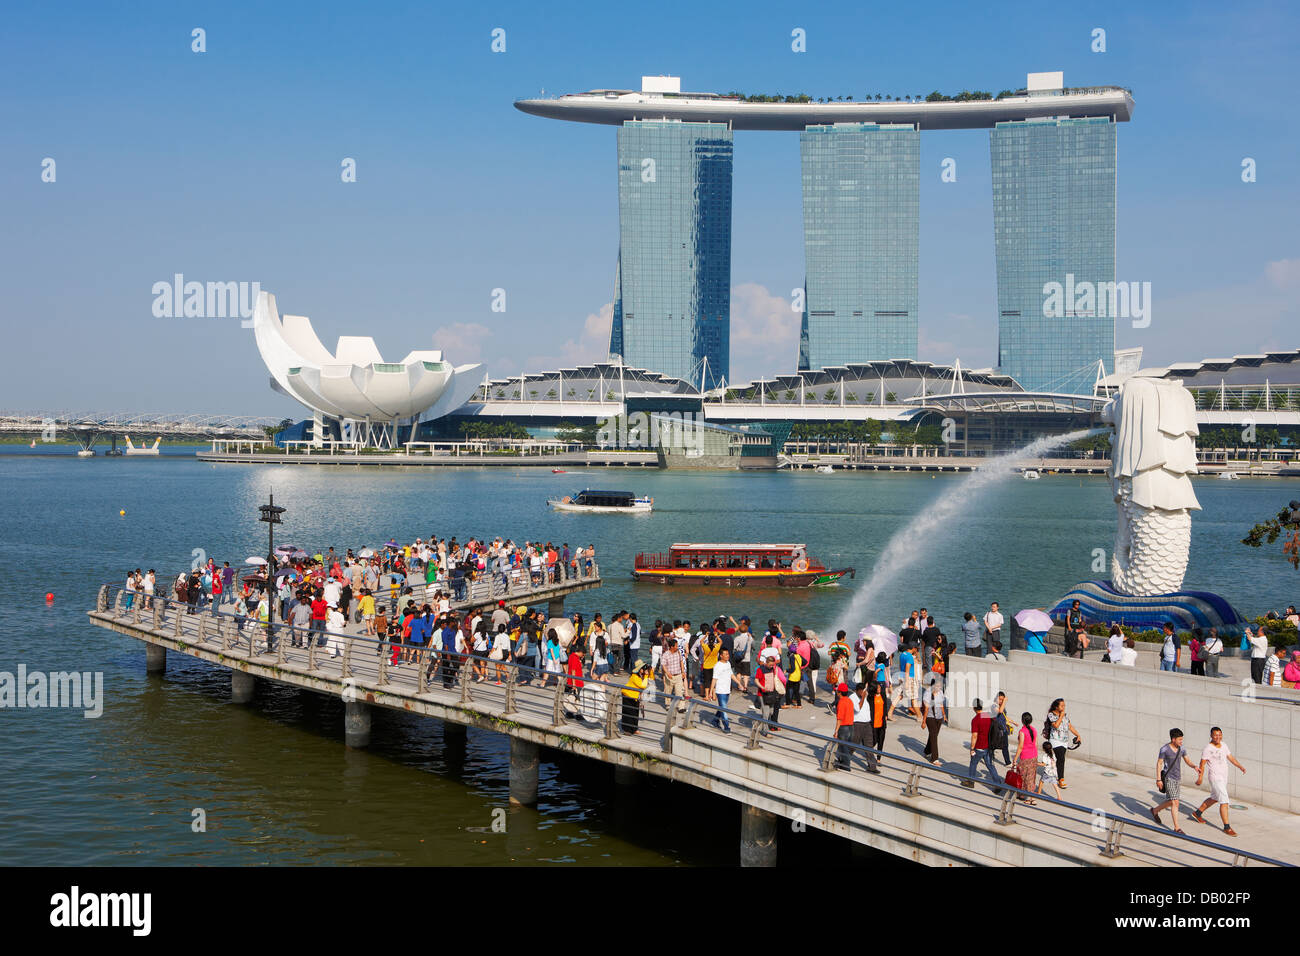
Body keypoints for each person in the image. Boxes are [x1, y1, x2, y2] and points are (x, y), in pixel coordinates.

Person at [1192, 727, 1247, 837]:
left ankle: (1197, 813)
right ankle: (1227, 827)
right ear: (1211, 736)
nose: (1218, 737)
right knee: (1224, 801)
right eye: (1215, 735)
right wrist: (1200, 778)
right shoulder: (1208, 748)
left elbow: (1230, 757)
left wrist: (1240, 766)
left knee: (1215, 798)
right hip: (1215, 777)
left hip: (1223, 777)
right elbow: (1202, 764)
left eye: (1220, 735)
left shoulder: (1224, 745)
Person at [1151, 728, 1198, 833]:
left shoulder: (1182, 749)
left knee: (1171, 801)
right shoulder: (1164, 749)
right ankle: (1177, 828)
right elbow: (1159, 763)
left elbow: (1187, 760)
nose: (1181, 742)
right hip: (1168, 778)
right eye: (1180, 739)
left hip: (1177, 778)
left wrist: (1194, 766)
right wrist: (1158, 779)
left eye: (1182, 739)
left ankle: (1155, 810)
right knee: (1175, 802)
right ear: (1173, 739)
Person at [963, 698, 1002, 791]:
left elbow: (974, 736)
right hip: (988, 746)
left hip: (979, 747)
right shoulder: (987, 715)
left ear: (974, 708)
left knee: (973, 763)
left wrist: (972, 748)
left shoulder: (975, 720)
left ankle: (971, 781)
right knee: (990, 765)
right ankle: (998, 784)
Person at [1045, 698, 1081, 789]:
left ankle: (1054, 772)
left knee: (1060, 759)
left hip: (1064, 741)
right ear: (1056, 707)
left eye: (1064, 705)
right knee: (1061, 758)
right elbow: (1056, 725)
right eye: (1062, 705)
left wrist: (1078, 735)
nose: (1064, 707)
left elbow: (1070, 726)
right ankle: (1061, 779)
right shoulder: (1051, 714)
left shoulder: (1065, 716)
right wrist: (1061, 716)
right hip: (1055, 740)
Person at [850, 683, 882, 774]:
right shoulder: (852, 697)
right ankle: (843, 759)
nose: (863, 692)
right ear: (857, 690)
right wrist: (863, 697)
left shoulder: (865, 694)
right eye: (862, 691)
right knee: (853, 745)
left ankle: (872, 766)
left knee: (869, 746)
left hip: (867, 724)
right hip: (857, 724)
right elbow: (857, 709)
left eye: (864, 690)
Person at [754, 655, 786, 734]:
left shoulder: (773, 669)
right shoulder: (760, 669)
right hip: (762, 694)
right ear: (766, 663)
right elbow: (756, 680)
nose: (772, 666)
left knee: (771, 712)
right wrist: (762, 687)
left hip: (771, 693)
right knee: (766, 713)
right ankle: (765, 732)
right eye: (770, 665)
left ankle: (759, 725)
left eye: (773, 665)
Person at [1013, 712, 1039, 803]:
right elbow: (1036, 744)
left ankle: (1030, 797)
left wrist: (1015, 759)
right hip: (1034, 755)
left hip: (1025, 756)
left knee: (1024, 776)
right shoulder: (1034, 730)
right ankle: (1023, 794)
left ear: (1022, 720)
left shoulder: (1022, 731)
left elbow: (1020, 746)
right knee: (1031, 776)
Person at [921, 675, 946, 765]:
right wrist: (923, 721)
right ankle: (934, 759)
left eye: (940, 686)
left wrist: (944, 715)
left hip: (939, 717)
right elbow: (926, 709)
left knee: (933, 735)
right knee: (934, 736)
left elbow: (941, 704)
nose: (939, 688)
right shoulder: (927, 693)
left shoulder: (940, 692)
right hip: (930, 717)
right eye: (937, 686)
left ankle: (927, 751)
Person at [620, 662, 650, 735]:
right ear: (640, 669)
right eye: (644, 668)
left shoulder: (640, 676)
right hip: (628, 696)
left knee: (635, 713)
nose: (645, 670)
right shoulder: (634, 676)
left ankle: (634, 729)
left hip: (635, 697)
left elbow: (643, 687)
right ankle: (627, 730)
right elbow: (642, 686)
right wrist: (646, 676)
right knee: (628, 713)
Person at [710, 649, 733, 733]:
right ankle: (727, 727)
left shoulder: (728, 663)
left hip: (727, 690)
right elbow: (714, 679)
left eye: (728, 654)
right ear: (721, 655)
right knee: (724, 709)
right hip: (720, 691)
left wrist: (739, 683)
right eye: (726, 654)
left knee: (722, 708)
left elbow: (731, 675)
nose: (728, 655)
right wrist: (711, 691)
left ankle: (715, 721)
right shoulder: (717, 666)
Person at [833, 683, 855, 771]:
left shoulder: (841, 702)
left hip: (843, 727)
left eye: (837, 691)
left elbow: (839, 719)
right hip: (851, 726)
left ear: (840, 692)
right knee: (847, 747)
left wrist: (836, 731)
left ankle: (846, 766)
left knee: (843, 747)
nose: (836, 692)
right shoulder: (850, 701)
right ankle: (843, 762)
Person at [990, 691, 1013, 766]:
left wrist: (1012, 722)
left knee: (1005, 746)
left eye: (1002, 700)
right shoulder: (994, 706)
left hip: (1003, 729)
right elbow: (1000, 711)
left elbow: (1004, 716)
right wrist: (1005, 701)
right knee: (993, 745)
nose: (1001, 701)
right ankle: (989, 759)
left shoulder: (1002, 706)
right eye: (1000, 699)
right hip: (996, 729)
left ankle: (1008, 762)